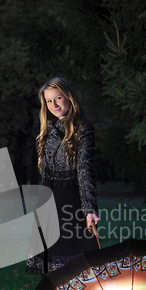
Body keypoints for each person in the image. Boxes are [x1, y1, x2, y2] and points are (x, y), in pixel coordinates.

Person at [25, 77, 100, 275]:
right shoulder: (46, 131)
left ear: (69, 97)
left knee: (75, 258)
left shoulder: (83, 129)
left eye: (58, 98)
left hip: (71, 199)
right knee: (50, 258)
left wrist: (89, 208)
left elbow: (85, 169)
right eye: (49, 101)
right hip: (49, 199)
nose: (54, 105)